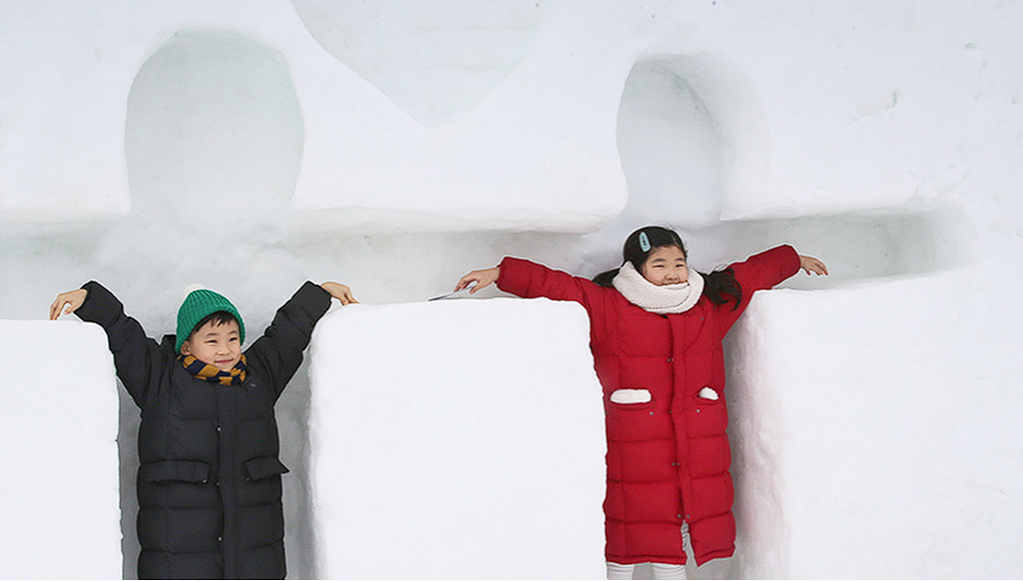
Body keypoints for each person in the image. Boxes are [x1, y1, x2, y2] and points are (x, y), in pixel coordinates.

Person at [455, 226, 827, 580]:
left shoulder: (708, 304)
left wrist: (793, 260)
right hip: (632, 447)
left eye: (679, 263)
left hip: (697, 446)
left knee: (673, 544)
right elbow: (558, 286)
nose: (672, 273)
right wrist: (501, 273)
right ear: (636, 268)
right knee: (624, 539)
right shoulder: (609, 306)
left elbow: (750, 275)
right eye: (659, 265)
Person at [49, 280, 357, 579]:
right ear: (186, 346)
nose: (225, 349)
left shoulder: (258, 378)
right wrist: (90, 300)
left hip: (254, 557)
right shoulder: (160, 381)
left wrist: (319, 294)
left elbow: (285, 336)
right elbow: (124, 336)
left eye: (233, 338)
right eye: (212, 340)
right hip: (179, 561)